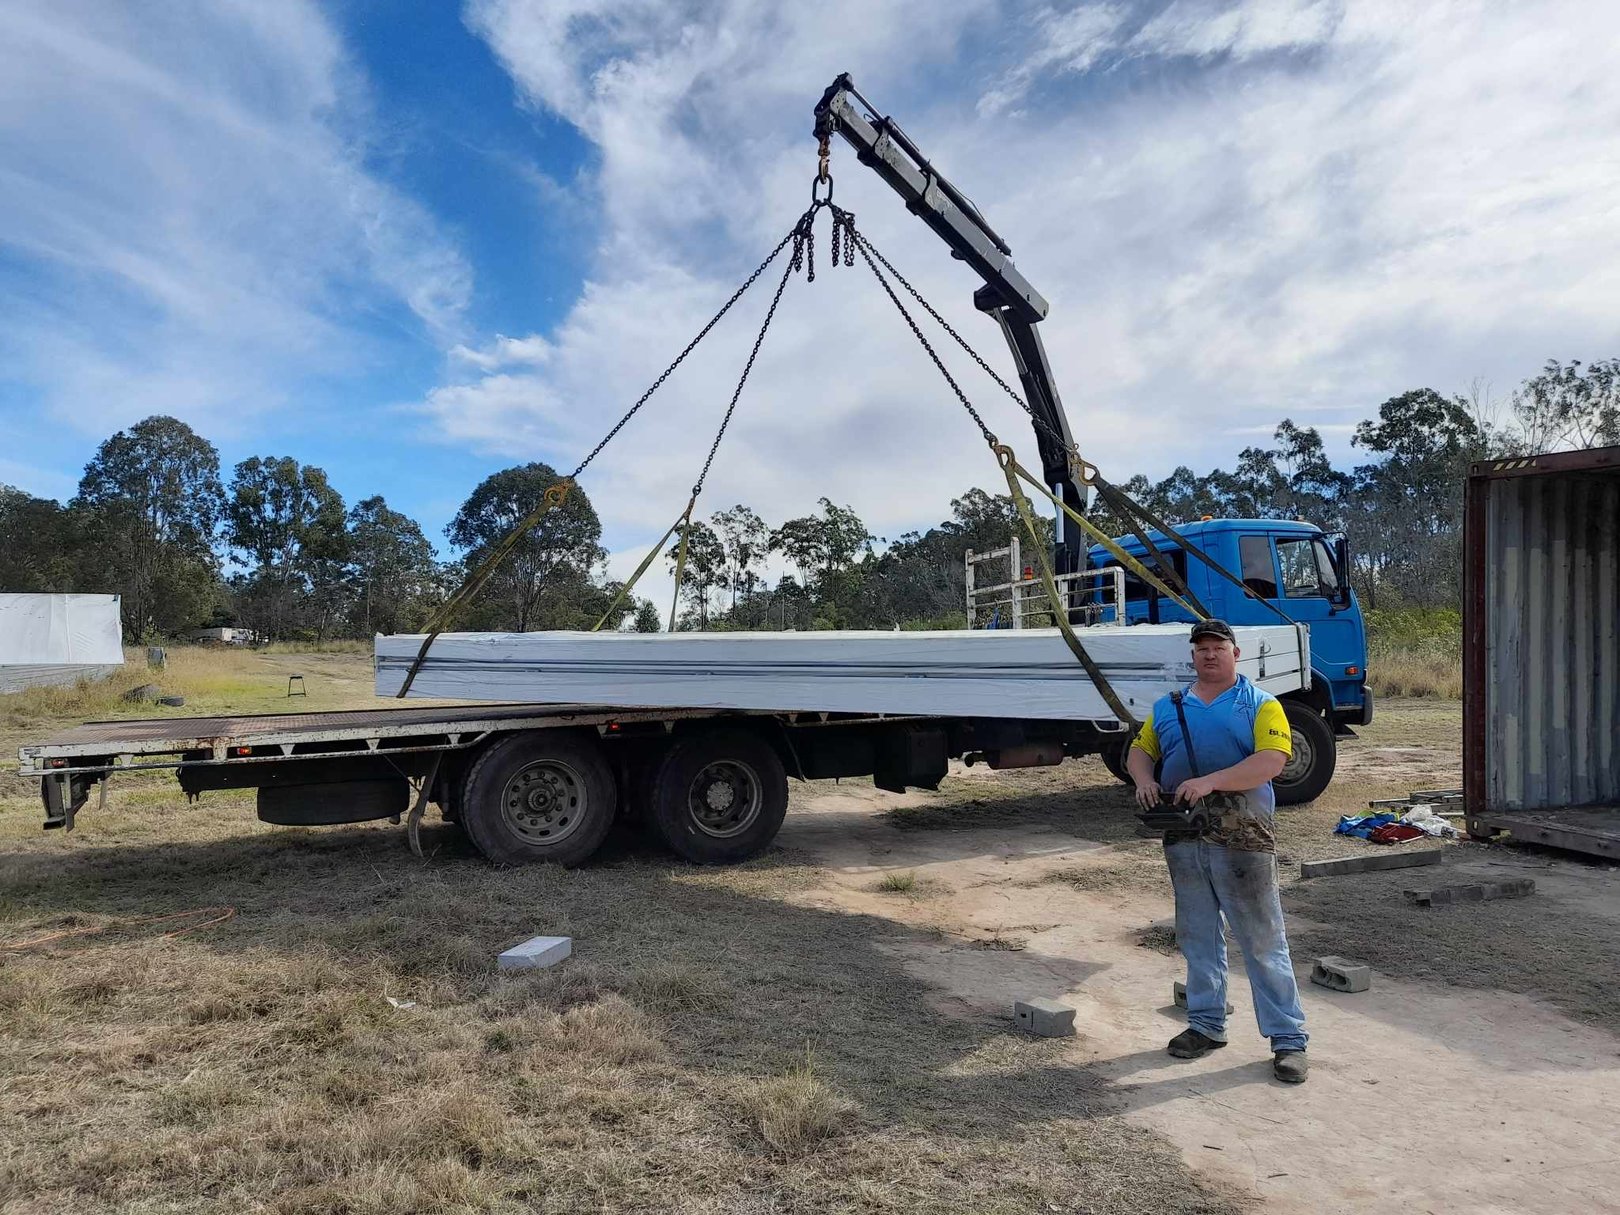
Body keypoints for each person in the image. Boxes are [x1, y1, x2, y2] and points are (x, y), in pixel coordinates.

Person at [1125, 618, 1310, 1084]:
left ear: (1236, 654)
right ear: (1192, 655)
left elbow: (1271, 762)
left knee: (1262, 940)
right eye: (1202, 648)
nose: (1210, 655)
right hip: (1184, 837)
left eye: (1219, 647)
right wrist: (1145, 780)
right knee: (1197, 935)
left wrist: (1211, 781)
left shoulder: (1262, 705)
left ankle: (1288, 1040)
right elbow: (1140, 750)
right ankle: (1206, 1026)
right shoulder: (1169, 707)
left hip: (1243, 836)